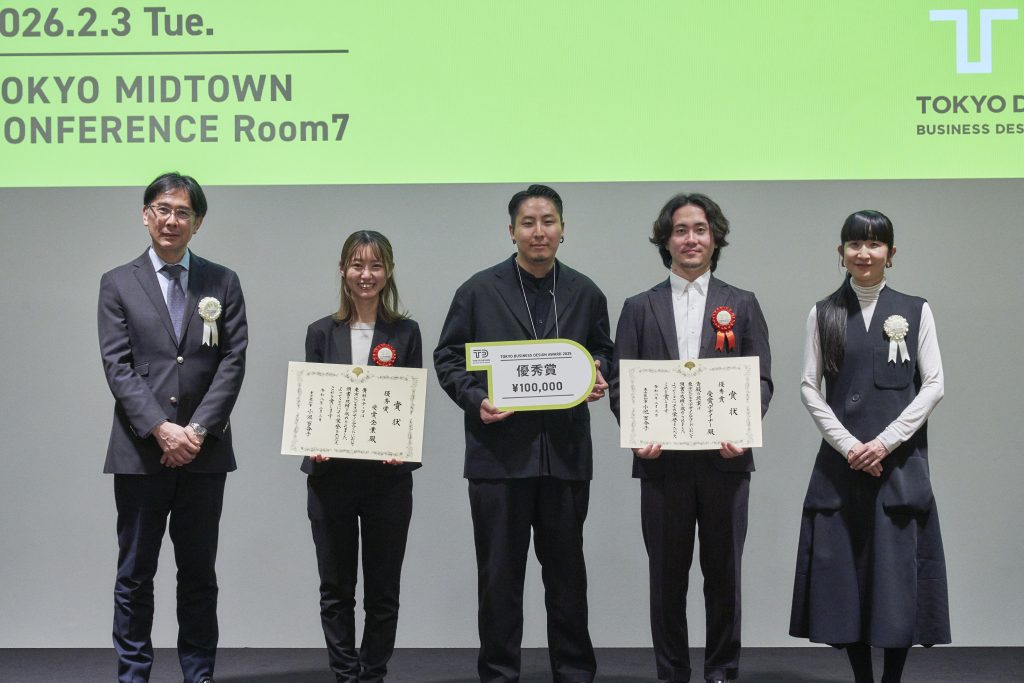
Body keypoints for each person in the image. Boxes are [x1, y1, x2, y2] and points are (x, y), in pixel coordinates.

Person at [433, 184, 613, 683]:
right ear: (511, 231)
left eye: (548, 221)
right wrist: (476, 399)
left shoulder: (585, 291)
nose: (539, 231)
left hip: (565, 455)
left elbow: (604, 351)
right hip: (498, 457)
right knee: (499, 579)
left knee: (567, 578)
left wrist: (598, 374)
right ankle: (498, 674)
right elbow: (448, 357)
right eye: (528, 223)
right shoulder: (478, 290)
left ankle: (575, 673)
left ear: (563, 229)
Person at [609, 193, 772, 683]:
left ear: (715, 238)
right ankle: (672, 672)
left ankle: (721, 669)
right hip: (661, 464)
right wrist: (636, 433)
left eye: (700, 229)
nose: (691, 239)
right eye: (680, 230)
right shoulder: (639, 307)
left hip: (726, 462)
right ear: (665, 241)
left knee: (724, 576)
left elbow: (761, 381)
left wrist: (744, 428)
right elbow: (620, 384)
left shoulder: (741, 304)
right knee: (666, 579)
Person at [98, 172, 247, 683]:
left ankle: (198, 674)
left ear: (197, 223)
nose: (171, 220)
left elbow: (233, 361)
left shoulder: (222, 281)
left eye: (183, 212)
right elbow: (117, 366)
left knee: (199, 575)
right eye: (162, 209)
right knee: (135, 575)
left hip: (204, 454)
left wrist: (197, 430)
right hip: (141, 452)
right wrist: (161, 428)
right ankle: (133, 674)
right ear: (146, 215)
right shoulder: (118, 282)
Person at [789, 210, 950, 682]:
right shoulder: (823, 312)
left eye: (875, 244)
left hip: (899, 467)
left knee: (897, 580)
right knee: (848, 579)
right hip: (842, 468)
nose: (864, 253)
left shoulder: (916, 310)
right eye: (854, 244)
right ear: (840, 252)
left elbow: (934, 385)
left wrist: (883, 443)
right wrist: (849, 446)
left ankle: (892, 679)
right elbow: (809, 387)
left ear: (891, 253)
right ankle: (862, 677)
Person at [302, 230, 422, 683]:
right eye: (357, 265)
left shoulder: (406, 332)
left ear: (388, 272)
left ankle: (373, 673)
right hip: (330, 478)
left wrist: (401, 446)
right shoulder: (321, 332)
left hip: (387, 481)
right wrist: (312, 438)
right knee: (335, 588)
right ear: (343, 270)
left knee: (383, 589)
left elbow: (411, 401)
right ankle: (344, 673)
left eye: (375, 265)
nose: (365, 274)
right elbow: (312, 402)